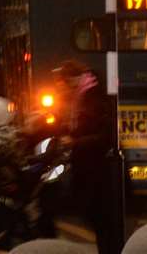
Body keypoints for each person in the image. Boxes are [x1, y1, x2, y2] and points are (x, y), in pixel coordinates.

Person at [54, 59, 116, 247]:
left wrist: (75, 142)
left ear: (73, 79)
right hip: (88, 166)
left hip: (97, 169)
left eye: (65, 83)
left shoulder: (93, 96)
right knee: (96, 218)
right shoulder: (82, 95)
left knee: (101, 218)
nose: (64, 89)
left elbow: (106, 135)